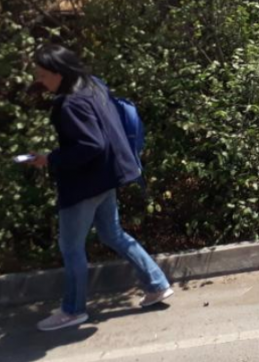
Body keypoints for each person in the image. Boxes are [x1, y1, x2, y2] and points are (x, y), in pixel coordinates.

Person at [22, 44, 173, 332]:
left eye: (43, 75)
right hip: (108, 177)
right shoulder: (92, 85)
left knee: (71, 247)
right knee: (112, 233)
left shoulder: (69, 104)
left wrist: (49, 159)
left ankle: (73, 310)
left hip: (84, 186)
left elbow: (91, 144)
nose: (40, 80)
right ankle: (156, 284)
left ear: (58, 73)